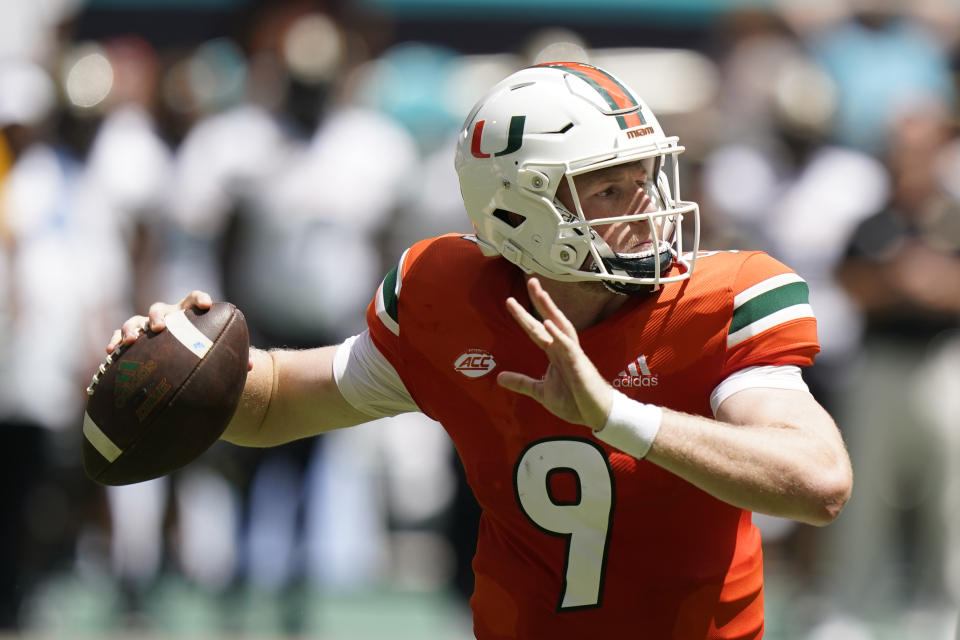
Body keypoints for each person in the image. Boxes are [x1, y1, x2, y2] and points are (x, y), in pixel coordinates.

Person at [107, 62, 852, 639]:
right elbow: (271, 405)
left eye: (645, 177)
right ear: (519, 206)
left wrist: (616, 415)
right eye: (608, 188)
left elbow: (819, 482)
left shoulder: (720, 302)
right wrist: (179, 353)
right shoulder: (450, 302)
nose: (647, 209)